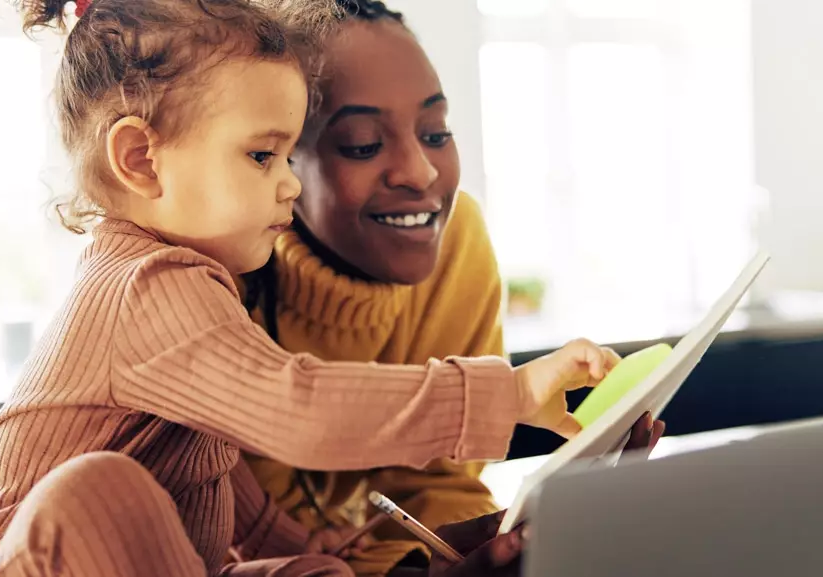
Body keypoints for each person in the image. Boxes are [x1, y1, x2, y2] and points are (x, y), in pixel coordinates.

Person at [0, 0, 621, 575]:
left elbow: (236, 498)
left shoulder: (199, 288)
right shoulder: (144, 288)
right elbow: (301, 409)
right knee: (95, 491)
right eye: (262, 155)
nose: (288, 180)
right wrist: (512, 393)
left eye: (289, 154)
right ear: (141, 159)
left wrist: (351, 549)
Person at [240, 1, 665, 575]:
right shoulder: (214, 281)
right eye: (364, 144)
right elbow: (239, 537)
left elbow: (440, 480)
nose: (419, 172)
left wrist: (503, 534)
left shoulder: (455, 238)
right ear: (279, 159)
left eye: (436, 131)